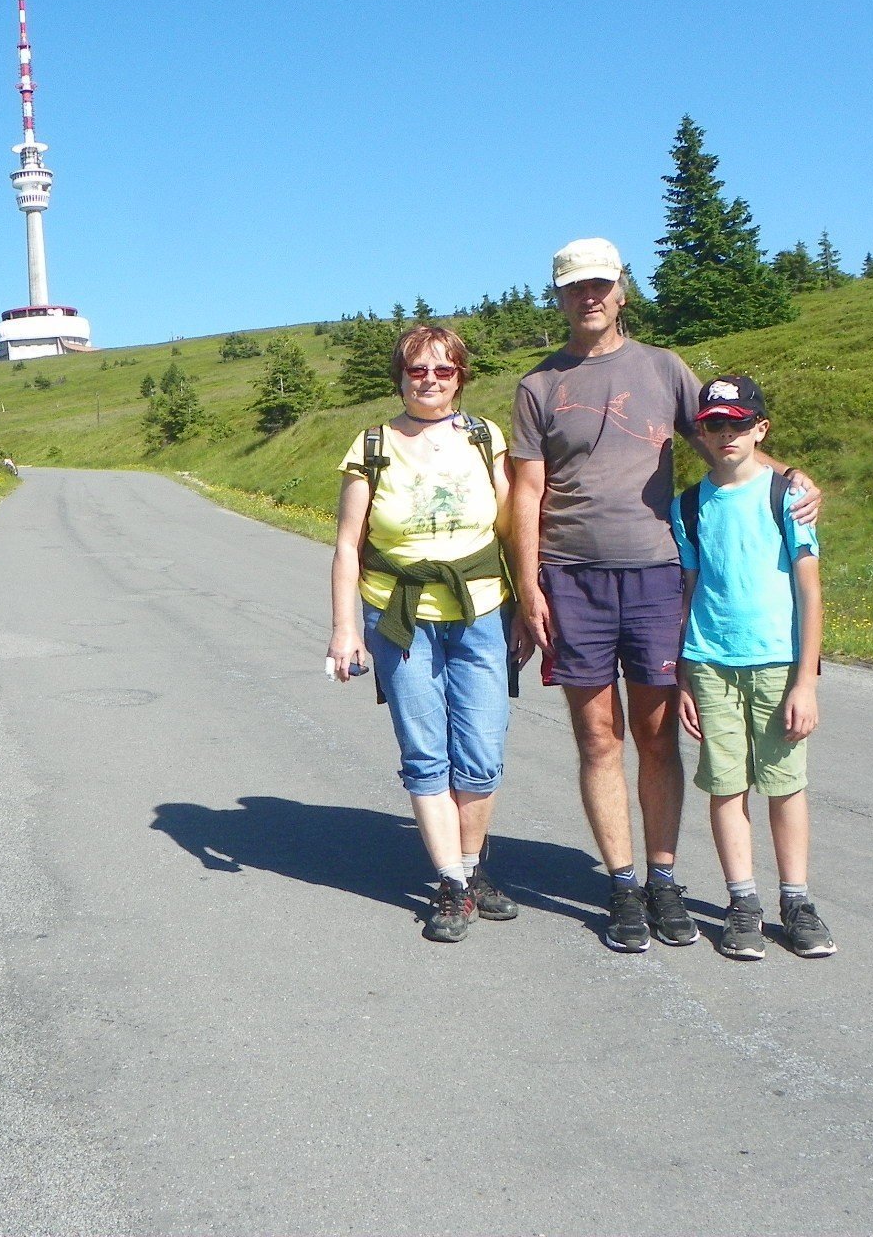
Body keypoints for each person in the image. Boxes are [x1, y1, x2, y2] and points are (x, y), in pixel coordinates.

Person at [508, 238, 821, 954]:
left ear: (621, 291)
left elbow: (722, 440)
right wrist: (528, 584)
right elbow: (526, 491)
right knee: (597, 738)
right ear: (557, 297)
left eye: (600, 285)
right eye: (573, 287)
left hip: (654, 574)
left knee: (655, 735)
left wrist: (793, 476)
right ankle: (621, 885)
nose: (588, 297)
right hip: (571, 575)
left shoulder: (662, 369)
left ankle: (663, 877)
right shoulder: (538, 387)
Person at [327, 324, 518, 942]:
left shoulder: (486, 438)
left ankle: (471, 864)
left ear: (460, 376)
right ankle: (454, 884)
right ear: (401, 378)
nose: (429, 380)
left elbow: (515, 527)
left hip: (481, 611)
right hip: (399, 616)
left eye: (443, 369)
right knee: (426, 753)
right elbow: (347, 546)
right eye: (417, 370)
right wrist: (345, 630)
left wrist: (535, 608)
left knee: (481, 756)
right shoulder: (374, 444)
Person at [671, 375, 835, 959]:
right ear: (701, 432)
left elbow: (809, 591)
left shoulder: (786, 497)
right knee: (726, 784)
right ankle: (743, 902)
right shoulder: (687, 504)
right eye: (715, 424)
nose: (726, 434)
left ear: (760, 429)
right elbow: (688, 590)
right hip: (711, 663)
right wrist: (684, 673)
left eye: (739, 423)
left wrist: (806, 680)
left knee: (785, 786)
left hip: (777, 664)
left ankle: (797, 901)